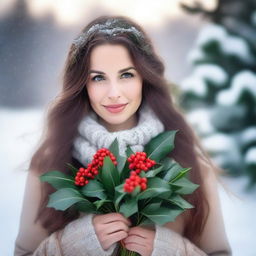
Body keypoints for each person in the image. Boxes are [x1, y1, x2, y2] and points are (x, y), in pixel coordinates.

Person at [14, 15, 232, 256]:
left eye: (126, 75)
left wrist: (169, 249)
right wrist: (74, 243)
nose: (113, 93)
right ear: (82, 85)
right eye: (98, 78)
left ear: (144, 78)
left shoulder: (188, 163)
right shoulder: (50, 163)